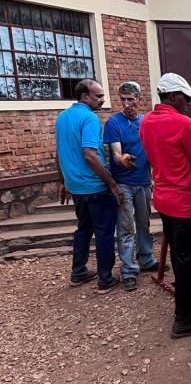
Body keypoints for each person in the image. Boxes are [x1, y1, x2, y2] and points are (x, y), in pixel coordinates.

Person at [140, 73, 191, 339]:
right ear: (173, 97)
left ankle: (185, 311)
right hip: (184, 202)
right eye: (185, 98)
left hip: (162, 198)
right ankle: (183, 320)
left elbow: (169, 152)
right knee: (188, 262)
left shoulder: (146, 121)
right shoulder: (183, 123)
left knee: (177, 254)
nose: (187, 104)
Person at [55, 79, 123, 294]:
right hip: (95, 187)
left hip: (76, 187)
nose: (102, 100)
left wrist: (64, 181)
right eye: (98, 96)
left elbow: (59, 154)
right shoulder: (89, 118)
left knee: (83, 229)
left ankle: (78, 272)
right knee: (104, 232)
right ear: (85, 96)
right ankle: (105, 280)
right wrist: (112, 184)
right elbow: (90, 155)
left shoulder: (62, 117)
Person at [103, 81, 157, 291]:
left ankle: (146, 258)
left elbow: (153, 147)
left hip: (143, 180)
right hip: (123, 182)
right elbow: (115, 152)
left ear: (139, 100)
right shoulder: (114, 122)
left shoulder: (145, 122)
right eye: (123, 100)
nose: (126, 104)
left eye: (130, 100)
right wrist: (121, 157)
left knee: (143, 222)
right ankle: (128, 269)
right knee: (126, 227)